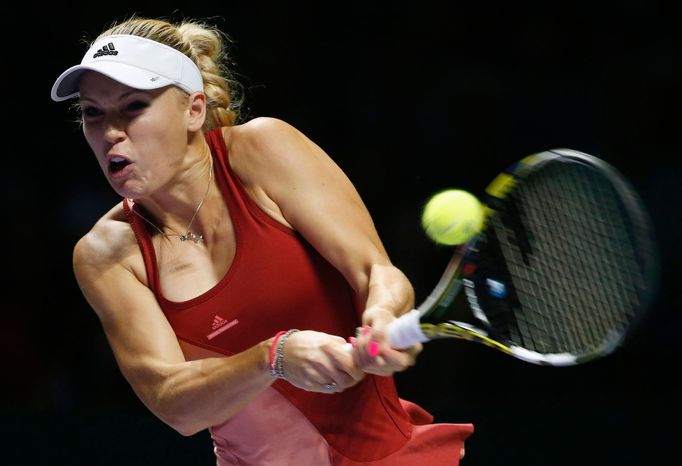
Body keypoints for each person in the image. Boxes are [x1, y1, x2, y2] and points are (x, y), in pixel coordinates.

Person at [51, 15, 473, 465]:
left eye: (133, 107)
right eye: (92, 112)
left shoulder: (262, 150)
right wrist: (273, 356)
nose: (110, 130)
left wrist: (384, 316)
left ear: (193, 110)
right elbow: (173, 402)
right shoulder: (107, 254)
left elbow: (376, 272)